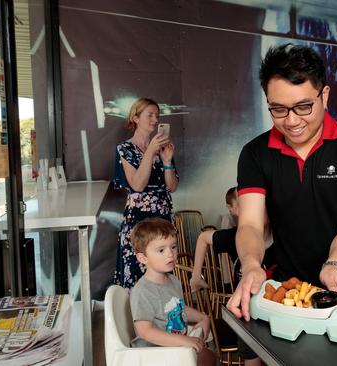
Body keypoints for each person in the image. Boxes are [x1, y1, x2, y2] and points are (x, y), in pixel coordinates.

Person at [227, 43, 337, 365]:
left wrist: (335, 263)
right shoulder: (255, 153)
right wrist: (252, 265)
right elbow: (251, 224)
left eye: (303, 107)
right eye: (278, 109)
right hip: (282, 286)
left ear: (325, 95)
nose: (291, 121)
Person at [129, 218, 215, 366]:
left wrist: (202, 317)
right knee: (206, 359)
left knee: (210, 357)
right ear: (143, 258)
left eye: (173, 247)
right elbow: (145, 331)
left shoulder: (174, 280)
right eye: (161, 250)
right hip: (154, 355)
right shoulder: (143, 291)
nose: (170, 254)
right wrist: (184, 340)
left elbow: (178, 307)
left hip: (175, 348)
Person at [113, 98, 179, 289]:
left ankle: (163, 316)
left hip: (163, 216)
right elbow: (138, 185)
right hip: (139, 221)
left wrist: (167, 161)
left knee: (163, 272)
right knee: (137, 271)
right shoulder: (124, 149)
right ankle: (137, 318)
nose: (155, 120)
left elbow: (172, 186)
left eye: (157, 115)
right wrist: (150, 151)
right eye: (149, 115)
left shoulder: (161, 149)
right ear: (135, 117)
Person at [190, 187, 274, 292]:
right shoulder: (233, 236)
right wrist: (196, 277)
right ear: (236, 210)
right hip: (243, 305)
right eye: (248, 205)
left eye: (263, 202)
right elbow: (203, 238)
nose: (257, 209)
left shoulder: (283, 238)